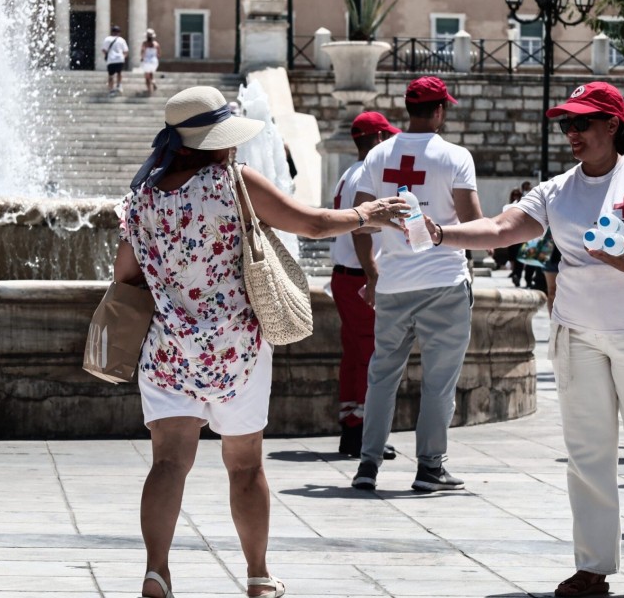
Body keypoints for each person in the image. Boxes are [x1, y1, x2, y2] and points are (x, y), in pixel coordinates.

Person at [114, 86, 406, 598]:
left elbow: (126, 275)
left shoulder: (142, 197)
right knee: (245, 464)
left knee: (167, 464)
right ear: (218, 140)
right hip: (236, 349)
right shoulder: (233, 183)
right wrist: (368, 214)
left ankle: (156, 570)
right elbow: (313, 223)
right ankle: (257, 576)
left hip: (168, 351)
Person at [423, 81, 624, 597]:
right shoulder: (557, 189)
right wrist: (442, 234)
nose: (572, 132)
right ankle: (592, 569)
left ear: (613, 125)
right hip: (578, 333)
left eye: (582, 122)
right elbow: (501, 229)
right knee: (587, 453)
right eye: (566, 123)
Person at [350, 76, 483, 493]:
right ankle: (429, 468)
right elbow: (475, 224)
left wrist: (372, 275)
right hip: (444, 280)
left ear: (409, 109)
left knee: (382, 376)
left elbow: (357, 223)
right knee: (438, 381)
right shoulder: (455, 156)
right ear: (440, 110)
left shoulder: (379, 155)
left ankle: (368, 465)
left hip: (393, 284)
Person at [330, 111, 401, 458]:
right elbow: (361, 232)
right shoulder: (368, 177)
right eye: (386, 137)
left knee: (354, 355)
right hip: (360, 276)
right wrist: (373, 277)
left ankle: (351, 426)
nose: (389, 143)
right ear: (376, 140)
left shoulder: (348, 173)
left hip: (344, 275)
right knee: (371, 355)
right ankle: (363, 431)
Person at [102, 25, 129, 97]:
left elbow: (104, 50)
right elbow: (126, 51)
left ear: (112, 32)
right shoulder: (122, 40)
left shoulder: (107, 39)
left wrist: (107, 55)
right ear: (119, 32)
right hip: (120, 59)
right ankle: (119, 85)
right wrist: (123, 57)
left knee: (111, 75)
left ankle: (111, 89)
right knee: (119, 73)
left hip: (111, 60)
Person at [140, 28, 160, 95]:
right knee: (151, 74)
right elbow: (158, 54)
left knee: (146, 77)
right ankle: (153, 82)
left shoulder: (145, 43)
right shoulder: (156, 44)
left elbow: (142, 52)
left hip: (147, 61)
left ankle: (149, 90)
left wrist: (142, 58)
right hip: (154, 61)